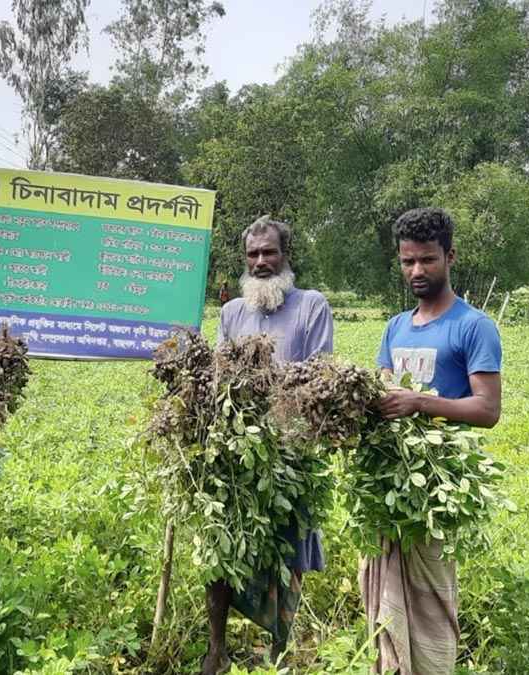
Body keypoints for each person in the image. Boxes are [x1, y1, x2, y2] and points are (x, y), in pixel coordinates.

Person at [364, 207, 502, 674]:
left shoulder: (473, 325)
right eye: (407, 262)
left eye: (427, 260)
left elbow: (487, 409)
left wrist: (420, 403)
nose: (417, 272)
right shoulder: (396, 326)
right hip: (387, 488)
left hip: (436, 492)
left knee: (431, 606)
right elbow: (383, 389)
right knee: (385, 603)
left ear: (450, 256)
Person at [206, 215, 335, 674]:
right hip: (235, 452)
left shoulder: (311, 306)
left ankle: (279, 651)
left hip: (290, 453)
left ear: (286, 256)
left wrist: (271, 396)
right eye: (253, 254)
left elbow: (319, 374)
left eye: (269, 252)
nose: (261, 262)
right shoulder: (231, 313)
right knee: (221, 546)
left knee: (287, 550)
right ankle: (215, 652)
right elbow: (220, 377)